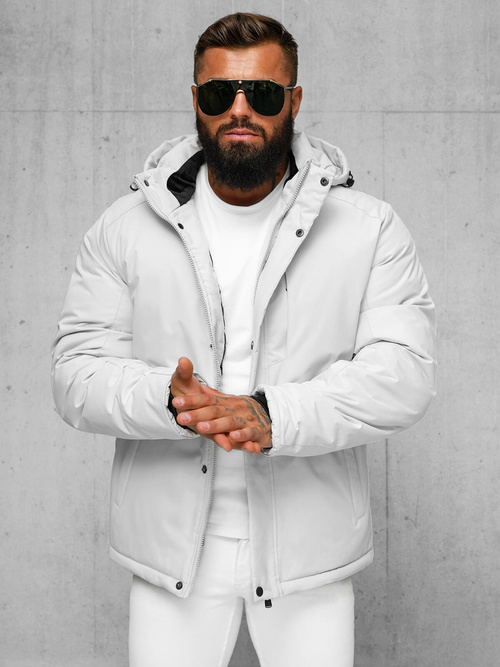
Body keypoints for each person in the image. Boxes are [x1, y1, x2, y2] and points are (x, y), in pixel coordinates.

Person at [51, 12, 436, 667]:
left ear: (294, 100)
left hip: (309, 557)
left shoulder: (369, 229)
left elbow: (405, 376)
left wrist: (270, 414)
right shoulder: (124, 228)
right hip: (171, 559)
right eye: (217, 93)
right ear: (195, 99)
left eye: (261, 93)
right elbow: (75, 373)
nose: (238, 109)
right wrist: (170, 400)